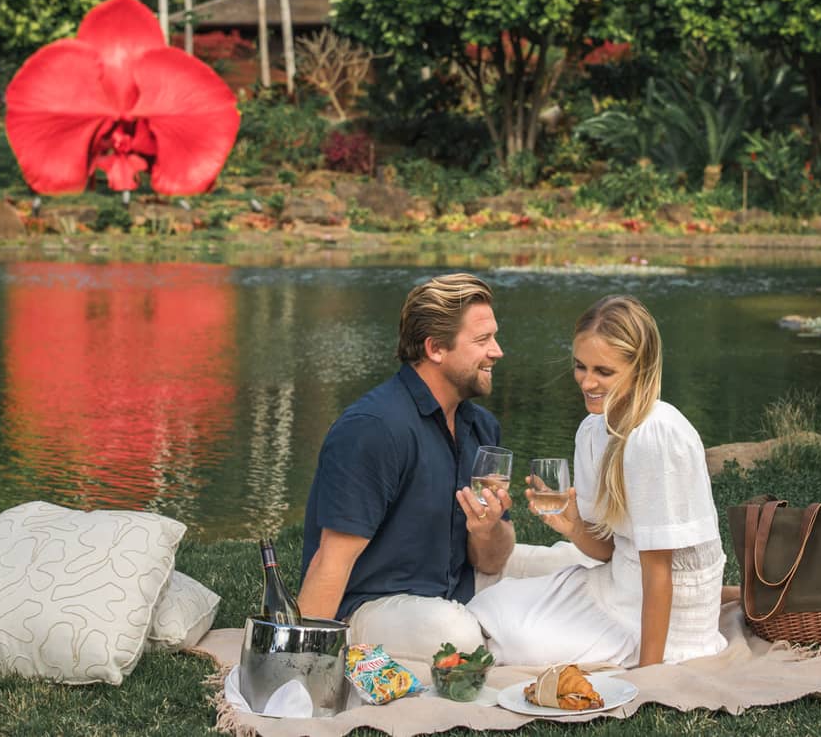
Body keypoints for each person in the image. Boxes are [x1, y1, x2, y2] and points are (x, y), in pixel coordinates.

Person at [466, 294, 729, 668]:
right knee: (491, 605)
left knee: (516, 647)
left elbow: (659, 571)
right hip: (617, 584)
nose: (587, 382)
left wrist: (650, 676)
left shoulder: (655, 436)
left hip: (665, 617)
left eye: (603, 372)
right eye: (580, 367)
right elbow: (608, 550)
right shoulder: (593, 429)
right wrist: (572, 524)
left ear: (639, 368)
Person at [298, 273, 515, 657]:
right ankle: (499, 633)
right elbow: (332, 559)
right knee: (456, 634)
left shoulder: (482, 427)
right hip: (370, 608)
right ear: (435, 349)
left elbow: (491, 560)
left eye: (494, 337)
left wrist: (488, 528)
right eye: (482, 341)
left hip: (456, 589)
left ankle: (500, 630)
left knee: (569, 563)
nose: (497, 351)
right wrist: (300, 665)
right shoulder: (374, 429)